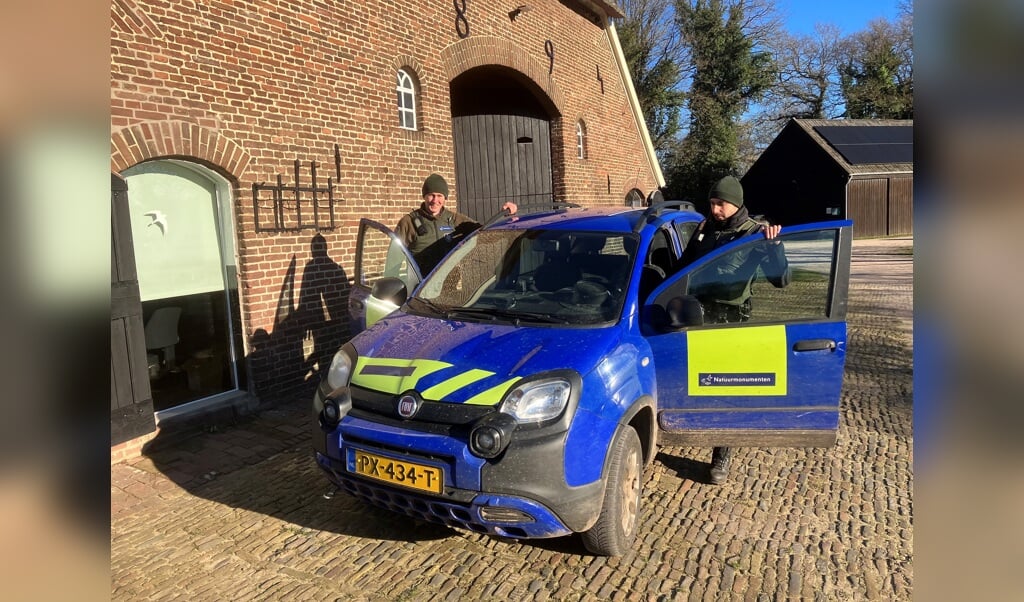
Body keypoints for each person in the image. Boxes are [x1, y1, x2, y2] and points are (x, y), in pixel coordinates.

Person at [680, 175, 790, 485]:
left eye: (720, 204)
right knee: (696, 382)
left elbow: (780, 280)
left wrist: (775, 247)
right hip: (698, 317)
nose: (714, 209)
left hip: (732, 323)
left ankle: (721, 456)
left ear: (736, 203)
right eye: (712, 203)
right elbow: (683, 268)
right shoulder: (705, 230)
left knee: (725, 390)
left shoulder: (756, 233)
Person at [396, 173, 517, 274]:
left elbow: (484, 232)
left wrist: (504, 214)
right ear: (424, 196)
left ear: (445, 198)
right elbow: (395, 258)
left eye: (439, 196)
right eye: (431, 195)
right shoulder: (408, 222)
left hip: (448, 287)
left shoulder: (454, 219)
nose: (435, 200)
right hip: (419, 287)